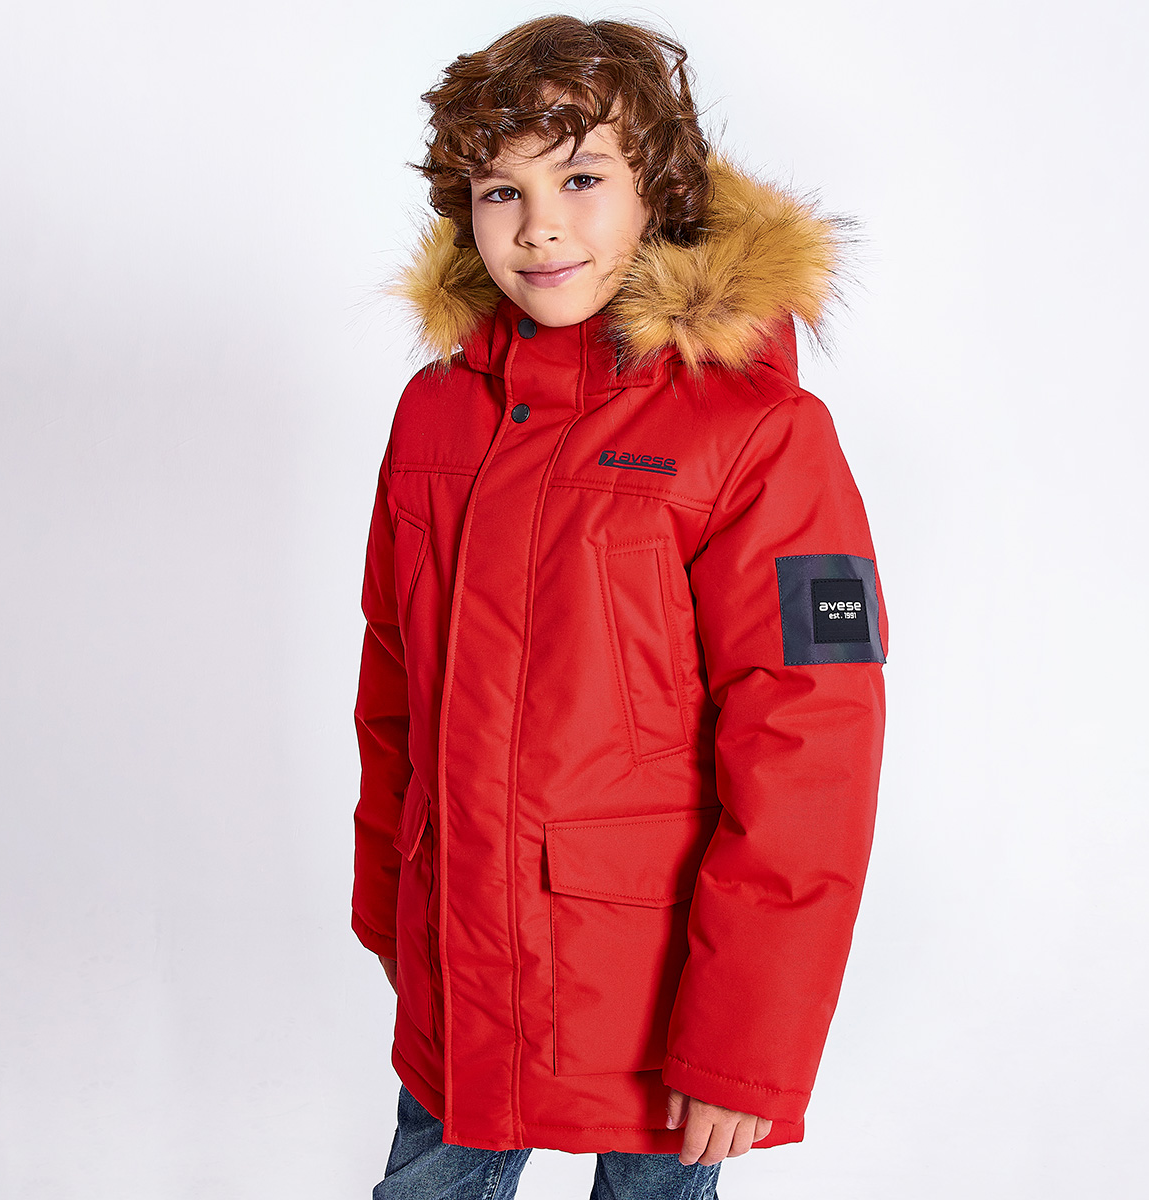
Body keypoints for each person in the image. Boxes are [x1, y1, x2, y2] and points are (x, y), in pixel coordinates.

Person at [351, 14, 888, 1199]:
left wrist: (748, 1039)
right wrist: (394, 908)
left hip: (660, 990)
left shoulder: (754, 433)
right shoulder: (435, 415)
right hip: (463, 968)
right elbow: (393, 681)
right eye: (502, 191)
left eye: (583, 178)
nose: (539, 225)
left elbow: (810, 746)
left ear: (662, 192)